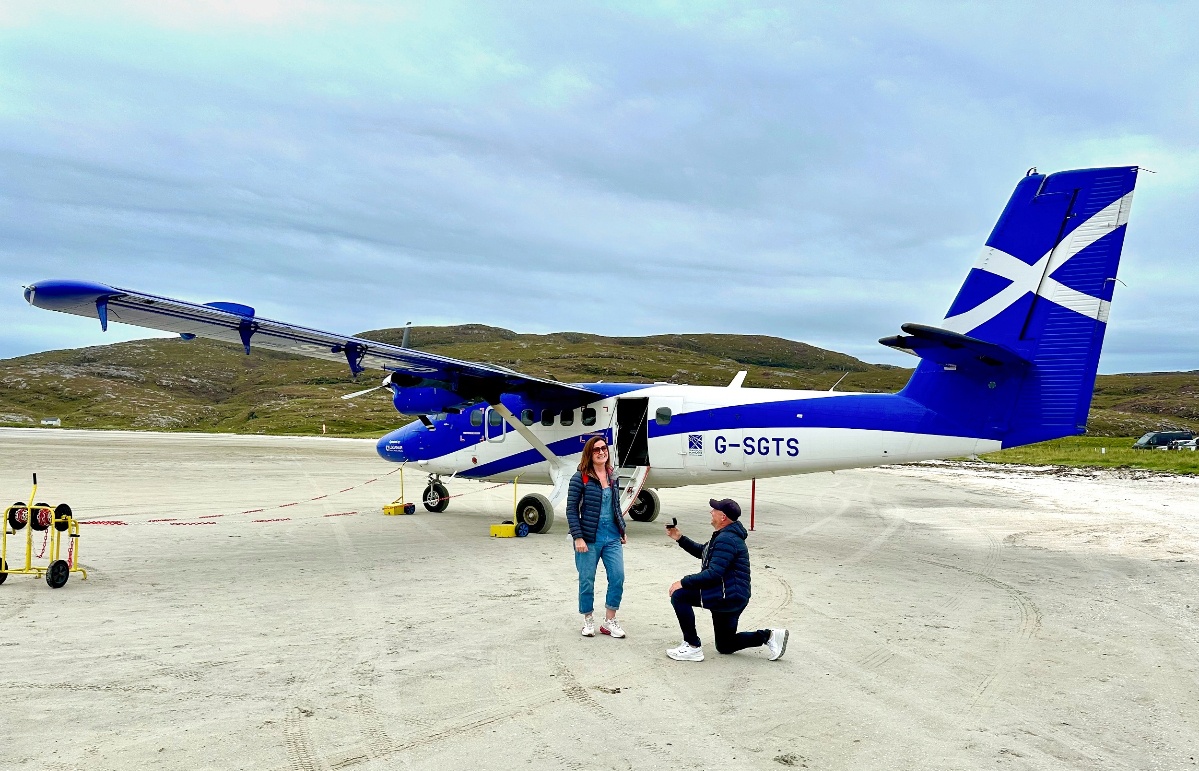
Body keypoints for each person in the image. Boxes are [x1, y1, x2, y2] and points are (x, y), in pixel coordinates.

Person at [664, 498, 787, 662]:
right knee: (725, 645)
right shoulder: (725, 536)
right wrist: (680, 538)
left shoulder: (727, 539)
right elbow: (704, 552)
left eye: (714, 510)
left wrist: (683, 582)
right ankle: (769, 636)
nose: (711, 512)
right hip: (733, 595)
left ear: (723, 517)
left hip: (727, 595)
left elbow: (714, 573)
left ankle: (692, 646)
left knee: (679, 595)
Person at [565, 435, 627, 639]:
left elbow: (615, 506)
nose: (601, 452)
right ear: (589, 454)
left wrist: (622, 529)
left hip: (611, 535)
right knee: (586, 580)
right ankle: (588, 619)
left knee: (618, 576)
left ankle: (609, 621)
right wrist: (578, 537)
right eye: (596, 449)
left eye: (604, 448)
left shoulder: (612, 476)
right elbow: (571, 510)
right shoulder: (580, 477)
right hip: (589, 536)